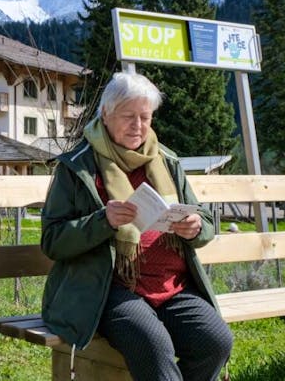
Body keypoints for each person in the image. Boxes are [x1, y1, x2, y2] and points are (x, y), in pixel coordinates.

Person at [41, 72, 232, 381]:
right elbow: (52, 241)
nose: (139, 126)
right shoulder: (77, 166)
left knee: (215, 343)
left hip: (172, 287)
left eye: (145, 117)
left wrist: (196, 227)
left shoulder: (166, 160)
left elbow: (205, 220)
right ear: (105, 113)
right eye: (129, 116)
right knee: (154, 346)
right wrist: (102, 221)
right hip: (109, 290)